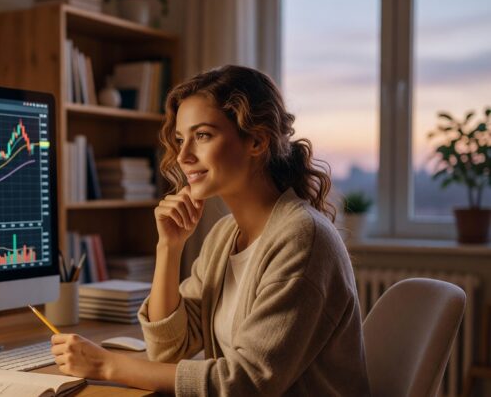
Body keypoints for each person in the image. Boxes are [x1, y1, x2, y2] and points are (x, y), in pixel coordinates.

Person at [50, 65, 370, 396]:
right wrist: (169, 249)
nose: (183, 156)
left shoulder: (302, 239)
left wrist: (106, 365)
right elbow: (168, 351)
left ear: (257, 141)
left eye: (202, 135)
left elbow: (245, 384)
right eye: (179, 139)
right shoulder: (224, 235)